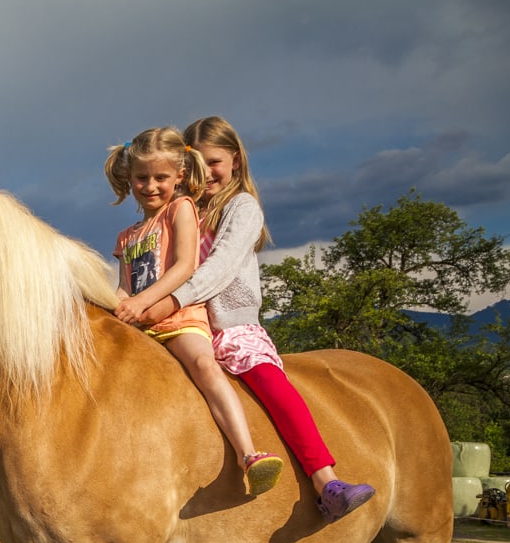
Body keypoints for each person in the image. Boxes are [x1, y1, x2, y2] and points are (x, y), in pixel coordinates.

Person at [121, 115, 375, 520]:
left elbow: (218, 267)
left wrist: (171, 301)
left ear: (235, 161)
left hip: (228, 324)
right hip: (178, 322)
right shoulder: (178, 210)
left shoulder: (241, 208)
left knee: (270, 382)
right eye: (200, 164)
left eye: (215, 162)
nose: (208, 173)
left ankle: (324, 480)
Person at [106, 127, 284, 496]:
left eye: (160, 177)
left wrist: (142, 302)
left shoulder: (180, 209)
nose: (150, 186)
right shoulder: (127, 236)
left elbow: (185, 266)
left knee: (204, 365)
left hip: (179, 319)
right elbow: (124, 286)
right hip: (143, 324)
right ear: (129, 177)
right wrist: (112, 310)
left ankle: (248, 453)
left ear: (180, 176)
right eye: (142, 177)